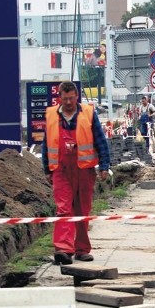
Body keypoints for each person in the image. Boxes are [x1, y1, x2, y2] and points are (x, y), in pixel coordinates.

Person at [41, 81, 110, 265]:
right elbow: (46, 144)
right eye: (65, 99)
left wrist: (104, 166)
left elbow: (100, 140)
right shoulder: (52, 116)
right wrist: (47, 168)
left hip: (84, 170)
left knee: (82, 209)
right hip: (61, 170)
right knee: (64, 208)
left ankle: (81, 249)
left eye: (71, 98)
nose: (69, 102)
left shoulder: (88, 113)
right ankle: (63, 249)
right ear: (60, 98)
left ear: (76, 96)